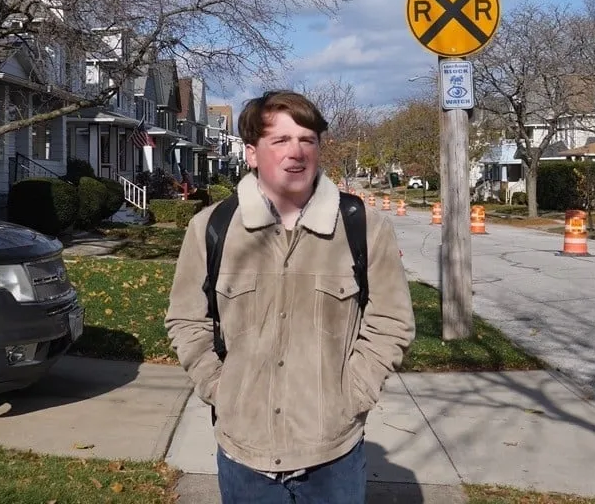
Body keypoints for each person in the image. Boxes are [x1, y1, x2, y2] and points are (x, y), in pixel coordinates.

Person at [165, 90, 416, 503]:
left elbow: (391, 321)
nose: (295, 152)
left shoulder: (362, 227)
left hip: (332, 455)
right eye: (280, 140)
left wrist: (354, 394)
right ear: (251, 153)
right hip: (244, 453)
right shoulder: (211, 228)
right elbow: (186, 320)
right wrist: (219, 388)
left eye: (307, 139)